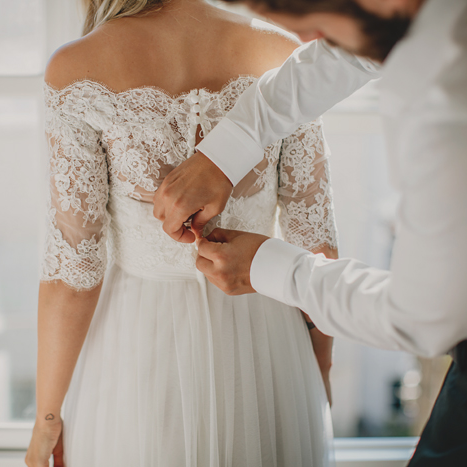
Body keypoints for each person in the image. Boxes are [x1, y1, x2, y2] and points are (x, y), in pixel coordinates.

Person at [154, 0, 467, 465]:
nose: (306, 45)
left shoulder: (466, 109)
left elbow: (422, 318)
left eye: (319, 29)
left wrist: (273, 269)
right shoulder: (426, 16)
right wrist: (226, 149)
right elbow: (347, 52)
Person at [24, 0, 379, 465]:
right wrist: (319, 370)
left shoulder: (77, 69)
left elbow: (73, 272)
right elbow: (315, 238)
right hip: (267, 344)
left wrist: (47, 419)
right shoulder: (281, 51)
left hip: (136, 349)